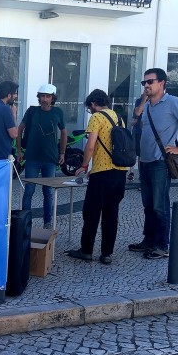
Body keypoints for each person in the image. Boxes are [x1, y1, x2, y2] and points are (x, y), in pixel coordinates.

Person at [129, 68, 178, 260]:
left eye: (150, 82)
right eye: (144, 83)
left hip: (160, 162)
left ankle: (162, 245)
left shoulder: (173, 102)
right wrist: (144, 100)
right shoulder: (147, 105)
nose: (146, 86)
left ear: (162, 83)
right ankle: (149, 240)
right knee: (148, 205)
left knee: (160, 205)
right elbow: (134, 121)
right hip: (144, 160)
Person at [66, 90, 128, 264]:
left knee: (91, 212)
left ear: (93, 104)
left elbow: (91, 146)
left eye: (89, 107)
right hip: (120, 171)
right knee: (111, 213)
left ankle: (86, 250)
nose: (90, 110)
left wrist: (84, 165)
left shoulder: (96, 117)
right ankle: (107, 253)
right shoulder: (118, 117)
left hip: (102, 173)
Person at [17, 83, 68, 229]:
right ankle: (26, 222)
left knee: (49, 192)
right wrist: (20, 151)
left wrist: (62, 152)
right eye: (42, 96)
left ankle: (48, 221)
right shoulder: (32, 111)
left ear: (53, 98)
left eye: (48, 96)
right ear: (39, 97)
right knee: (29, 191)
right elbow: (20, 130)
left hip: (50, 158)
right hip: (32, 157)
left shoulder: (58, 112)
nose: (45, 99)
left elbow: (64, 131)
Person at [129, 91, 148, 180]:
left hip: (147, 133)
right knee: (134, 152)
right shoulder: (140, 101)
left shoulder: (155, 101)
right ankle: (131, 172)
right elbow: (137, 113)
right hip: (137, 131)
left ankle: (142, 177)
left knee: (142, 155)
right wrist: (144, 99)